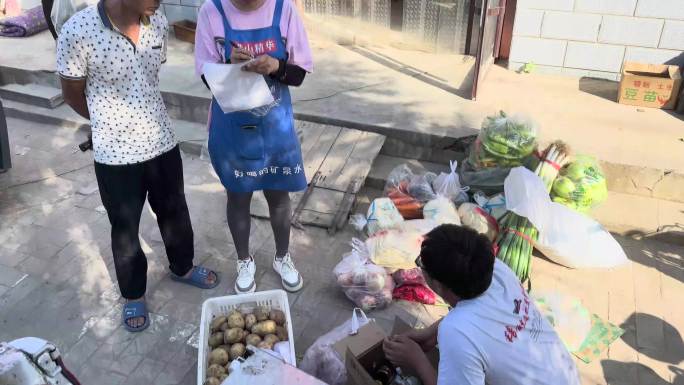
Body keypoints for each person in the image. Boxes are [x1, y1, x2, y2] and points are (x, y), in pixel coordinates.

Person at [56, 0, 219, 332]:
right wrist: (107, 121)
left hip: (161, 139)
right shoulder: (78, 31)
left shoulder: (157, 23)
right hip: (115, 154)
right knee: (125, 227)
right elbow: (73, 93)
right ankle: (133, 295)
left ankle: (183, 267)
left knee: (174, 210)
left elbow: (148, 78)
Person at [194, 0, 313, 294]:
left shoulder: (283, 10)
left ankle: (282, 257)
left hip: (275, 128)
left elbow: (298, 73)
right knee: (238, 198)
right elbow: (205, 75)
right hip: (234, 128)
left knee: (278, 195)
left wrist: (275, 65)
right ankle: (244, 260)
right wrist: (228, 66)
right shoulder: (211, 12)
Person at [383, 224, 580, 385]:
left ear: (439, 285)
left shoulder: (456, 331)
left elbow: (463, 327)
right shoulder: (496, 270)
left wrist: (417, 361)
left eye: (421, 265)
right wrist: (429, 334)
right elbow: (484, 318)